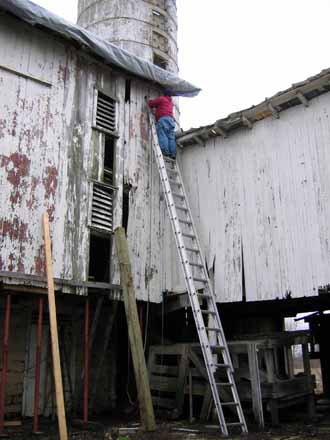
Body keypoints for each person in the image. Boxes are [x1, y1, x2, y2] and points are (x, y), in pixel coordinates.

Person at [148, 89, 176, 159]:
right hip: (171, 121)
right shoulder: (171, 103)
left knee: (162, 134)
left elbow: (151, 104)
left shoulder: (162, 99)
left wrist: (149, 101)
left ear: (164, 94)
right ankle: (173, 154)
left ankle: (165, 152)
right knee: (171, 138)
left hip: (163, 119)